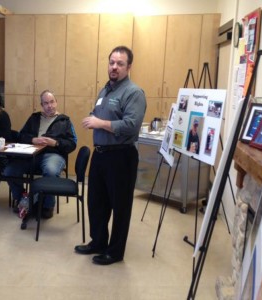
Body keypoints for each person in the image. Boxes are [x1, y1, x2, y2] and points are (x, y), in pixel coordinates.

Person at [75, 46, 146, 265]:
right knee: (96, 202)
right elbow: (102, 114)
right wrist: (94, 117)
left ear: (129, 67)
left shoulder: (134, 92)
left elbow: (132, 126)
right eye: (112, 62)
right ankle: (98, 242)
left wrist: (100, 123)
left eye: (120, 63)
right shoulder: (106, 89)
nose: (114, 67)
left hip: (121, 157)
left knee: (120, 206)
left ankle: (114, 252)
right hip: (101, 154)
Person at [3, 90, 77, 219]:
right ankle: (24, 199)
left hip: (52, 154)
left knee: (50, 171)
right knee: (9, 170)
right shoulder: (34, 118)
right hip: (31, 154)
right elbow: (20, 136)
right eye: (46, 103)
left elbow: (72, 144)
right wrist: (33, 140)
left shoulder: (65, 121)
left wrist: (56, 143)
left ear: (56, 102)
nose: (50, 106)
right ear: (41, 105)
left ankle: (48, 205)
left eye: (52, 102)